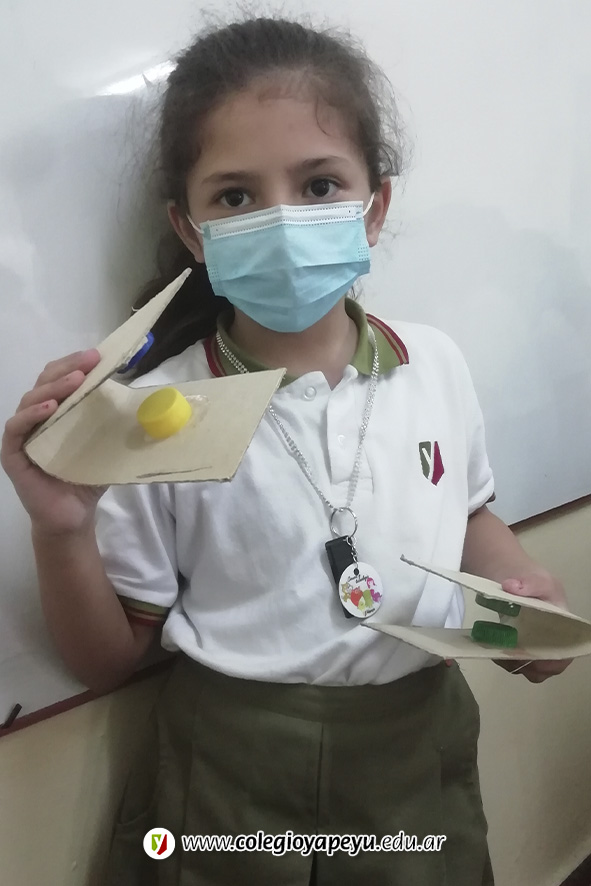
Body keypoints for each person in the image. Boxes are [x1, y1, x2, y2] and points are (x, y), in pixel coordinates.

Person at [1, 16, 571, 886]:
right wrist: (61, 528)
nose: (280, 219)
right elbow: (110, 659)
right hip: (227, 773)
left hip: (412, 759)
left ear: (374, 207)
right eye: (235, 197)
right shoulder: (155, 414)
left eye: (318, 184)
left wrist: (525, 598)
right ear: (190, 230)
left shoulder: (434, 364)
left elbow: (466, 514)